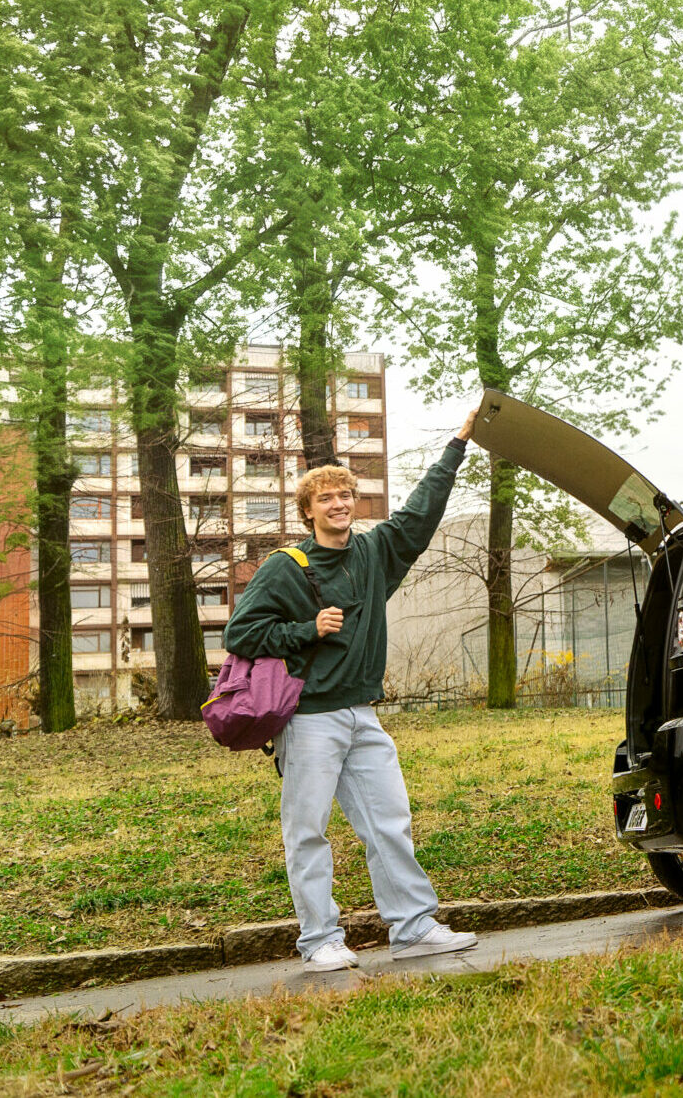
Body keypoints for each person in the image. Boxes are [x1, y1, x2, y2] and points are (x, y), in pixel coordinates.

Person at [223, 405, 485, 973]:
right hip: (310, 718)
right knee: (308, 831)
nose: (339, 504)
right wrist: (304, 630)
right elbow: (239, 632)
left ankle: (413, 928)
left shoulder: (373, 553)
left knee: (389, 822)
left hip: (361, 714)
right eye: (326, 498)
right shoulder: (285, 567)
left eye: (346, 495)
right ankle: (319, 940)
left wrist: (457, 445)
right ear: (308, 510)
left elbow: (420, 512)